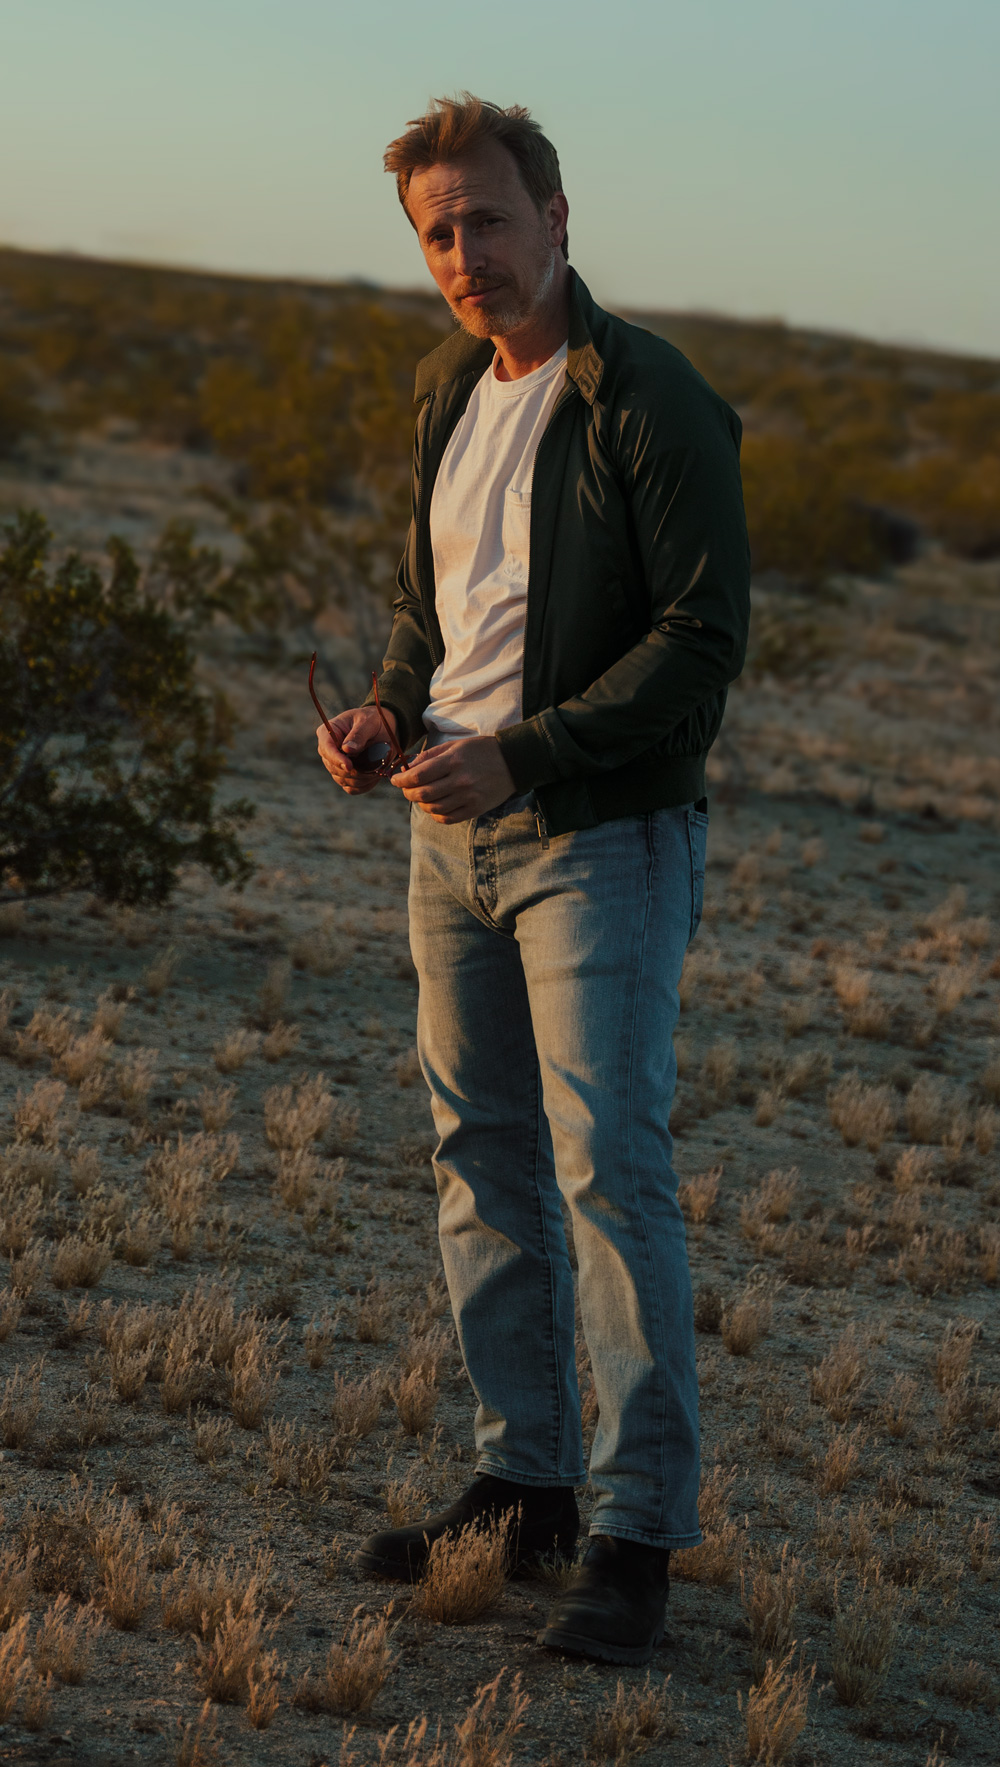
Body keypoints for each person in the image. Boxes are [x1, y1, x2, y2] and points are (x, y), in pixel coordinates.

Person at [316, 93, 750, 1666]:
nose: (462, 254)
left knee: (607, 1169)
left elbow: (703, 649)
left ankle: (635, 1537)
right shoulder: (449, 389)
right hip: (449, 831)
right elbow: (431, 610)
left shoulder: (653, 398)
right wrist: (388, 707)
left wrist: (533, 752)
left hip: (600, 835)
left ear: (556, 220)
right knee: (479, 1152)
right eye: (437, 232)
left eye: (487, 219)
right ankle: (527, 1483)